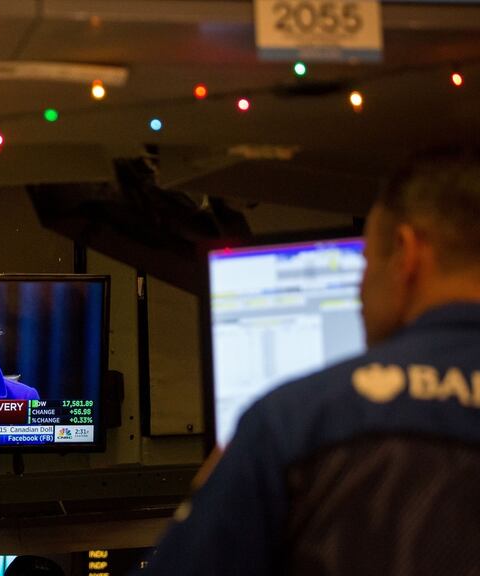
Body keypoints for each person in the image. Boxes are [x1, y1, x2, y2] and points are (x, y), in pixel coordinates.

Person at [148, 147, 480, 575]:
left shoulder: (295, 423)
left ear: (405, 252)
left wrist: (207, 498)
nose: (360, 289)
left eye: (366, 262)